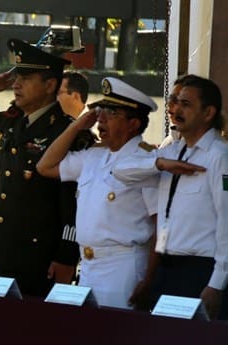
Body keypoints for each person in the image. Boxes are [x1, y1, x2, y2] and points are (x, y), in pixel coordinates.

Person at [0, 38, 93, 296]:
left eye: (25, 78)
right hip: (3, 248)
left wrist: (66, 255)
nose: (16, 84)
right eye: (16, 77)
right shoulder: (12, 122)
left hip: (41, 256)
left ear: (50, 85)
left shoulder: (68, 133)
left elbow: (73, 200)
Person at [37, 77, 159, 309]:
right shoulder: (93, 156)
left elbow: (158, 225)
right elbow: (45, 166)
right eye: (100, 111)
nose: (101, 119)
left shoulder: (146, 161)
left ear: (133, 124)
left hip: (123, 267)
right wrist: (75, 126)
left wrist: (150, 278)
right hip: (89, 266)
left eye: (111, 113)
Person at [113, 75, 228, 320]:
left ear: (208, 113)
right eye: (174, 102)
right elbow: (121, 171)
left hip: (200, 270)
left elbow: (226, 224)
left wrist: (217, 283)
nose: (175, 109)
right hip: (167, 268)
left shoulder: (218, 156)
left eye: (185, 104)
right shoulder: (174, 151)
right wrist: (160, 163)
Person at [161, 74, 200, 148]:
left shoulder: (216, 152)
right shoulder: (170, 141)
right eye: (171, 99)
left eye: (184, 103)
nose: (170, 110)